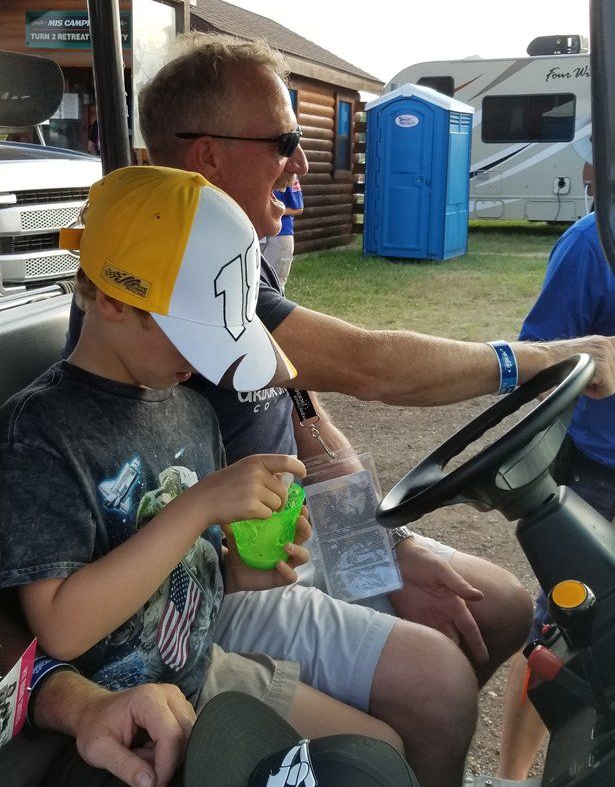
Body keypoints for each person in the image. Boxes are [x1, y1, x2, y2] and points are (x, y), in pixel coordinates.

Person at [5, 34, 615, 786]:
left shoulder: (222, 301)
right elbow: (370, 365)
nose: (300, 164)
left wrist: (377, 542)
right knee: (434, 682)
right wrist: (533, 358)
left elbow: (303, 420)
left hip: (220, 577)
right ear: (208, 157)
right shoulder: (152, 317)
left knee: (496, 606)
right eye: (285, 139)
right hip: (161, 622)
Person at [0, 165, 403, 784]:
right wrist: (198, 506)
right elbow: (60, 627)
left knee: (379, 750)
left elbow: (194, 572)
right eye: (192, 337)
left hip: (199, 672)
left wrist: (244, 569)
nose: (204, 362)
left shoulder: (188, 407)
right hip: (115, 711)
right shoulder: (43, 432)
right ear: (110, 298)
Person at [497, 211, 615, 780]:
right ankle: (510, 777)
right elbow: (539, 356)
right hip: (599, 472)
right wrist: (595, 356)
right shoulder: (591, 244)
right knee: (562, 635)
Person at [260, 175, 303, 289]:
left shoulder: (290, 176)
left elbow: (298, 208)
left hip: (281, 236)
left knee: (275, 282)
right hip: (259, 234)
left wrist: (270, 212)